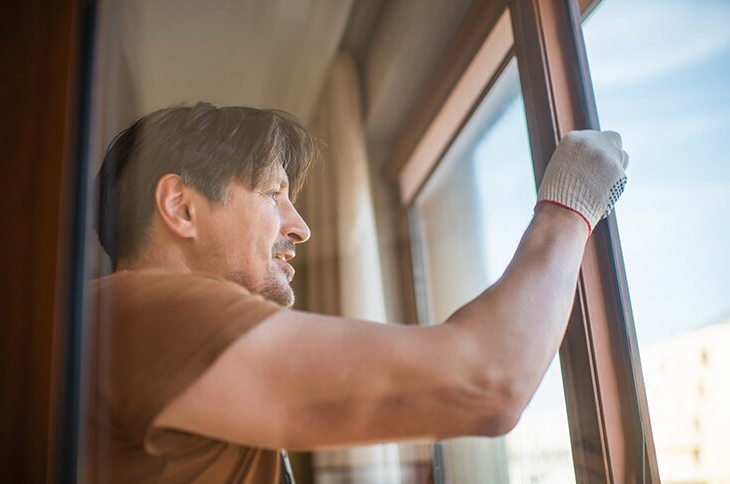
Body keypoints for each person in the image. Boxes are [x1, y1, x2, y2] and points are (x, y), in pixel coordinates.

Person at [88, 102, 629, 482]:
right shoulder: (149, 313)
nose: (299, 227)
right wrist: (571, 203)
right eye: (273, 194)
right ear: (181, 206)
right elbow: (488, 380)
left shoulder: (121, 325)